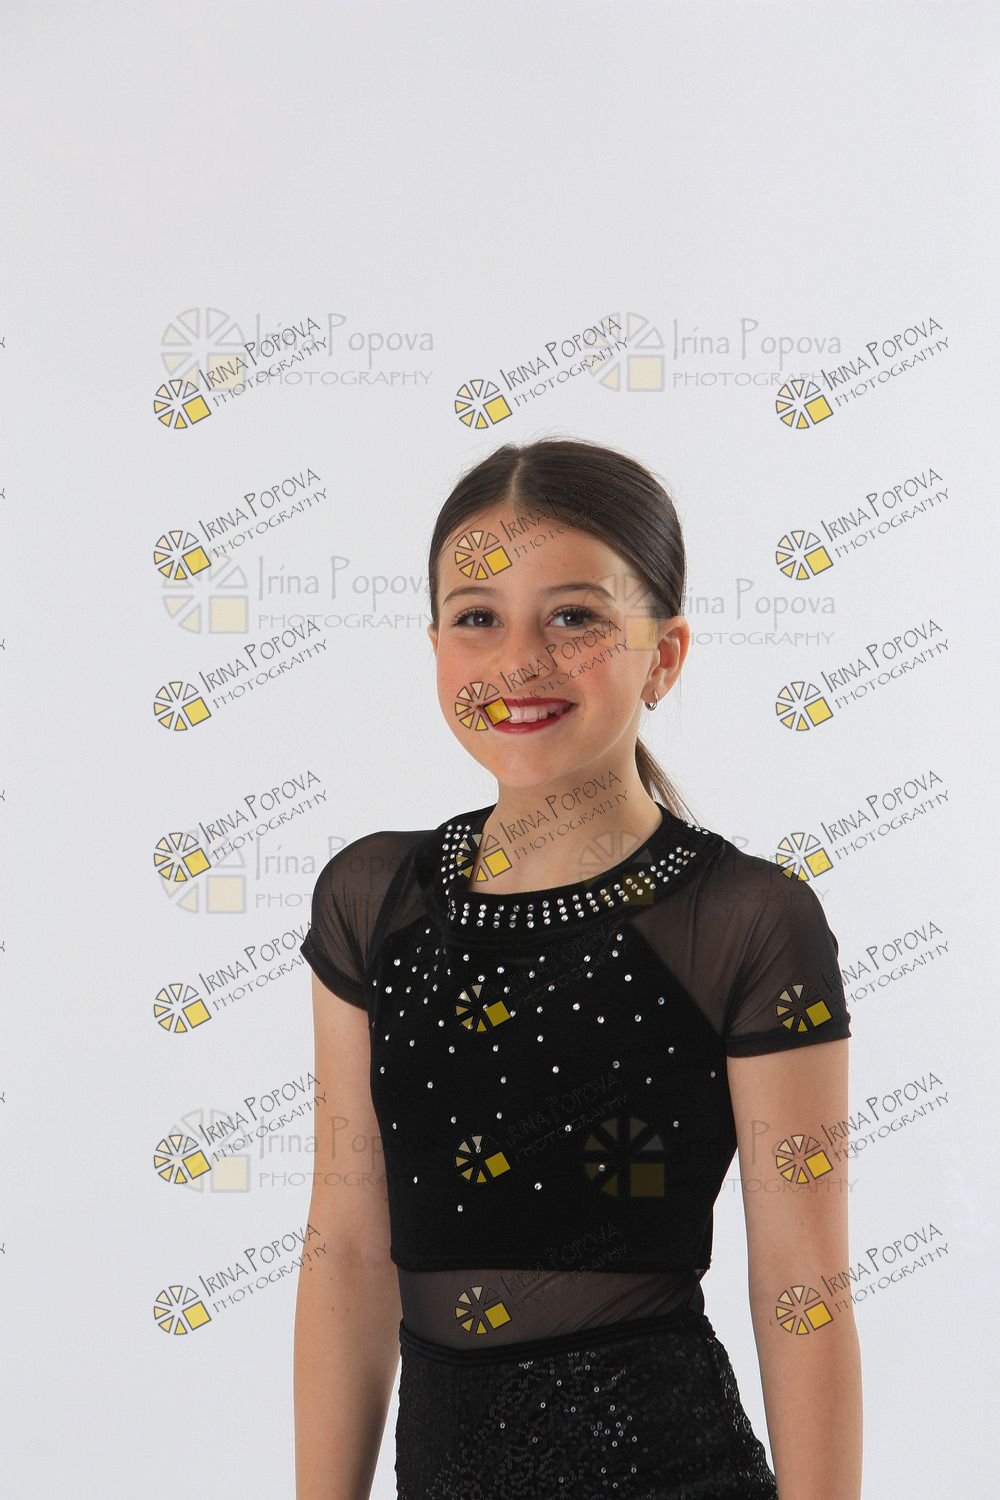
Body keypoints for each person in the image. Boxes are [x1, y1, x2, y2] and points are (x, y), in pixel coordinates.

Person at [293, 437, 863, 1499]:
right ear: (434, 644)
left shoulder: (742, 920)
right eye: (478, 617)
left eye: (574, 619)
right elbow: (347, 1248)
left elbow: (802, 1286)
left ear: (665, 654)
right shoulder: (373, 900)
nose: (520, 661)